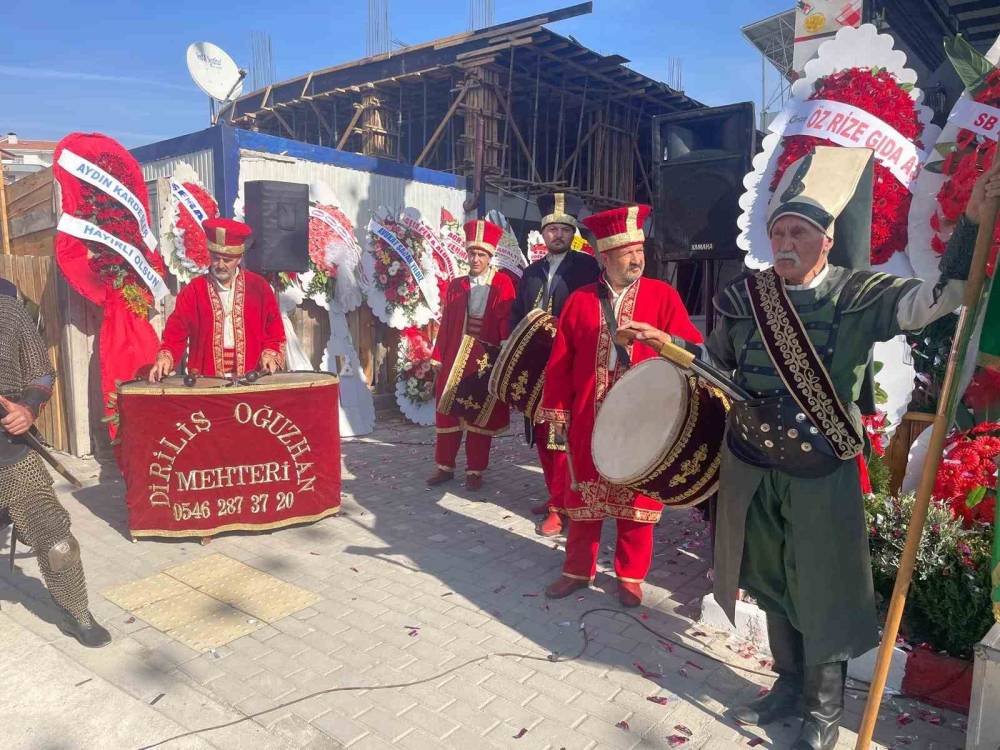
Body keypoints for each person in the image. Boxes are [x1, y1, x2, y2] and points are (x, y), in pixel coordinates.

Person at [626, 146, 1000, 750]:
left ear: (827, 239)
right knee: (771, 582)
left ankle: (824, 713)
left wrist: (975, 226)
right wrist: (664, 341)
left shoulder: (860, 294)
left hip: (820, 470)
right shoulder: (743, 298)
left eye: (799, 230)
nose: (787, 241)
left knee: (820, 589)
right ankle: (788, 686)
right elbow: (718, 371)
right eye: (778, 231)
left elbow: (942, 298)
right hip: (753, 467)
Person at [538, 204, 701, 607]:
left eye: (640, 251)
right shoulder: (578, 301)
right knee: (583, 500)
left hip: (642, 420)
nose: (637, 259)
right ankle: (577, 570)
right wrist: (556, 411)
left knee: (636, 501)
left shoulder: (663, 297)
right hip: (589, 417)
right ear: (603, 257)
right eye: (627, 252)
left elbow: (691, 350)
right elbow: (560, 361)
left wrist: (659, 339)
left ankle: (630, 576)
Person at [0, 290, 111, 647]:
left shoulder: (9, 310)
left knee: (57, 539)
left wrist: (28, 408)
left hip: (12, 453)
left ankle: (76, 611)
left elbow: (42, 374)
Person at [510, 193, 600, 536]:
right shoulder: (531, 272)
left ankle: (560, 508)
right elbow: (516, 314)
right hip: (535, 367)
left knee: (560, 437)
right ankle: (554, 494)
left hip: (571, 366)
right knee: (539, 432)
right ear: (543, 234)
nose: (557, 235)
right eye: (552, 230)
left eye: (564, 229)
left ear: (572, 232)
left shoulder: (589, 268)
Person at [428, 219, 517, 491]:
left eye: (481, 254)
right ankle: (445, 466)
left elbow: (505, 322)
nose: (475, 259)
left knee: (480, 413)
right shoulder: (456, 285)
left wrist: (503, 356)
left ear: (490, 257)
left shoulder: (502, 282)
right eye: (472, 253)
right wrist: (438, 355)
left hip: (484, 359)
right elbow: (445, 323)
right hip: (455, 355)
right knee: (447, 411)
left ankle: (475, 470)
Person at [149, 218, 285, 381]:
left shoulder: (259, 287)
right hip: (207, 381)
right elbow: (176, 331)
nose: (220, 265)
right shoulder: (194, 290)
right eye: (215, 258)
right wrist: (166, 356)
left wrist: (270, 354)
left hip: (252, 378)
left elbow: (275, 331)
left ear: (239, 258)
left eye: (227, 260)